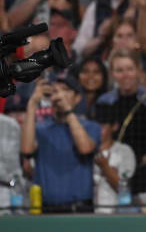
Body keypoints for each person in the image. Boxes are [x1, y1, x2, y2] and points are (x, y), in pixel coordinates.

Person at [20, 72, 101, 212]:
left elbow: (85, 148)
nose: (60, 96)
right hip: (46, 209)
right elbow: (26, 150)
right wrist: (32, 103)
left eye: (66, 90)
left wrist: (68, 111)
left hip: (80, 208)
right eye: (55, 91)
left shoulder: (90, 126)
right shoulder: (40, 129)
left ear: (77, 98)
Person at [92, 102, 136, 214]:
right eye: (94, 125)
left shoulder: (124, 151)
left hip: (118, 214)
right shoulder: (86, 150)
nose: (97, 129)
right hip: (89, 214)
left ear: (114, 126)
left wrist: (105, 167)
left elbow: (123, 189)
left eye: (102, 125)